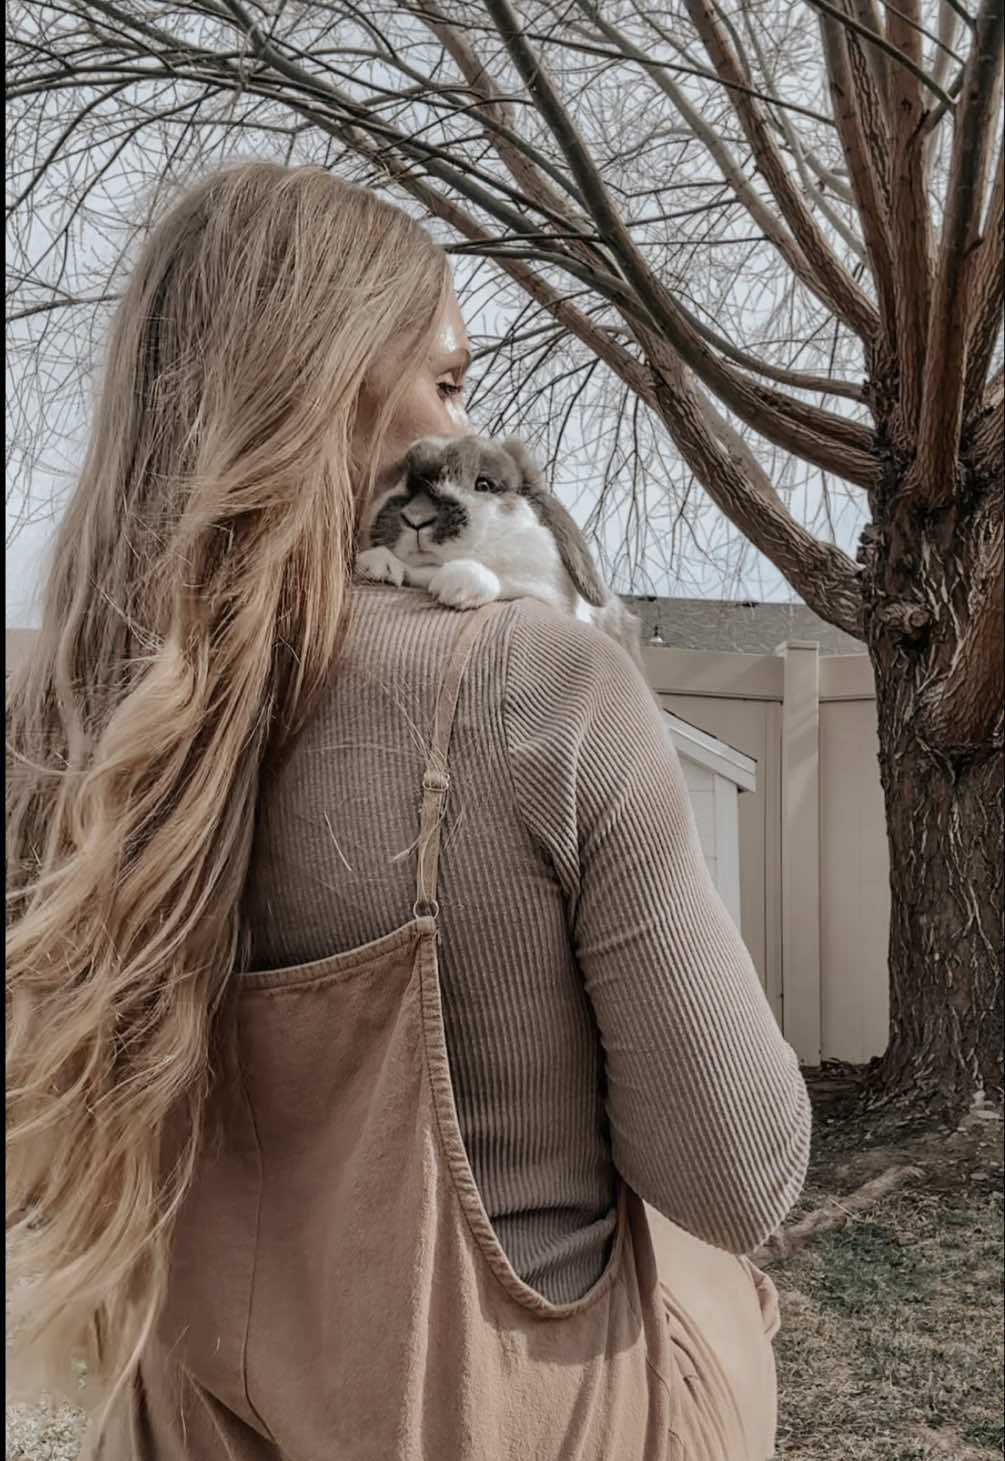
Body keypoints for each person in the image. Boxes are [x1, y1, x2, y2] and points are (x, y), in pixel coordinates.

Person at [5, 159, 811, 1461]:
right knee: (716, 1269)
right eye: (443, 380)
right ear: (329, 383)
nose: (457, 428)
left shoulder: (62, 737)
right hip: (534, 1428)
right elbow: (740, 1169)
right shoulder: (534, 681)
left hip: (188, 1421)